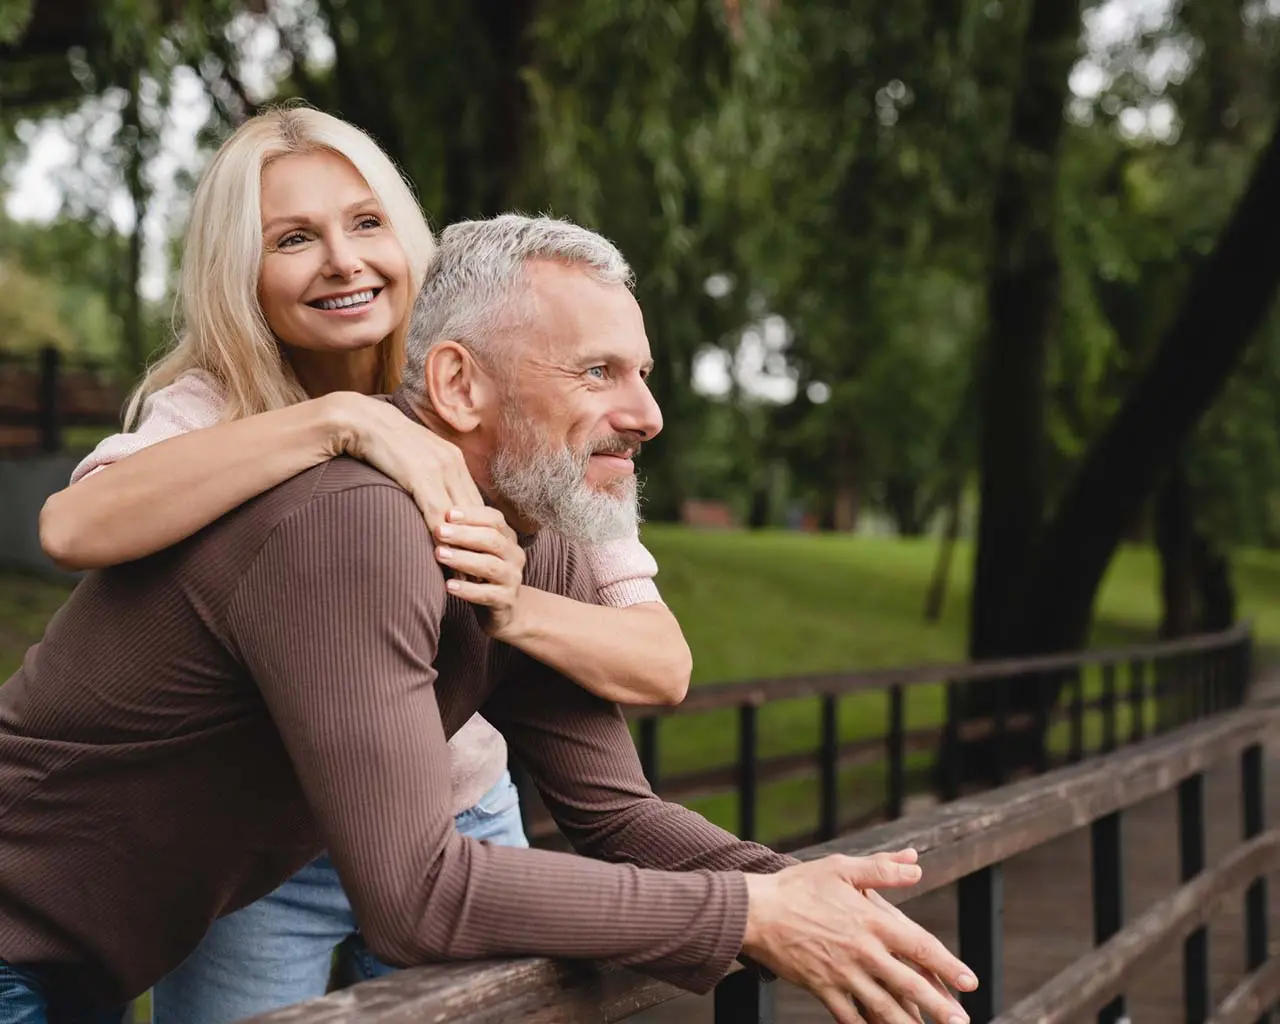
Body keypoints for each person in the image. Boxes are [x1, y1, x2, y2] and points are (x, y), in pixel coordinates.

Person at [0, 213, 977, 1024]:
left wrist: (795, 886)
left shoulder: (531, 534)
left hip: (76, 967)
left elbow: (614, 809)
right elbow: (416, 895)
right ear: (460, 385)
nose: (646, 414)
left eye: (641, 372)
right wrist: (744, 911)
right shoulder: (354, 526)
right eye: (598, 373)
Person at [33, 107, 692, 1022]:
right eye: (294, 238)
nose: (342, 260)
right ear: (242, 273)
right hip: (268, 848)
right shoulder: (213, 413)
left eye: (367, 221)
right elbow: (74, 530)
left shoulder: (519, 421)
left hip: (458, 815)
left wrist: (518, 607)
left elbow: (660, 664)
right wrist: (335, 422)